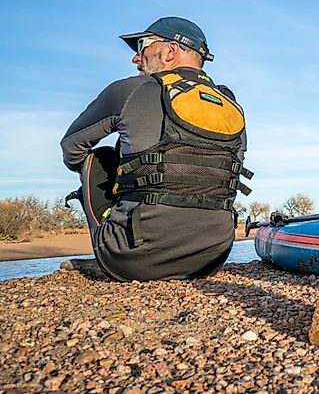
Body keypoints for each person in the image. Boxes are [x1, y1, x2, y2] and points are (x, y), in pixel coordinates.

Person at [61, 16, 251, 281]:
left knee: (98, 156)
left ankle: (115, 240)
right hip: (213, 257)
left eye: (142, 46)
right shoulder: (229, 103)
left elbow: (71, 150)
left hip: (134, 260)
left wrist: (124, 174)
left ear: (169, 51)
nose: (136, 58)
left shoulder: (130, 89)